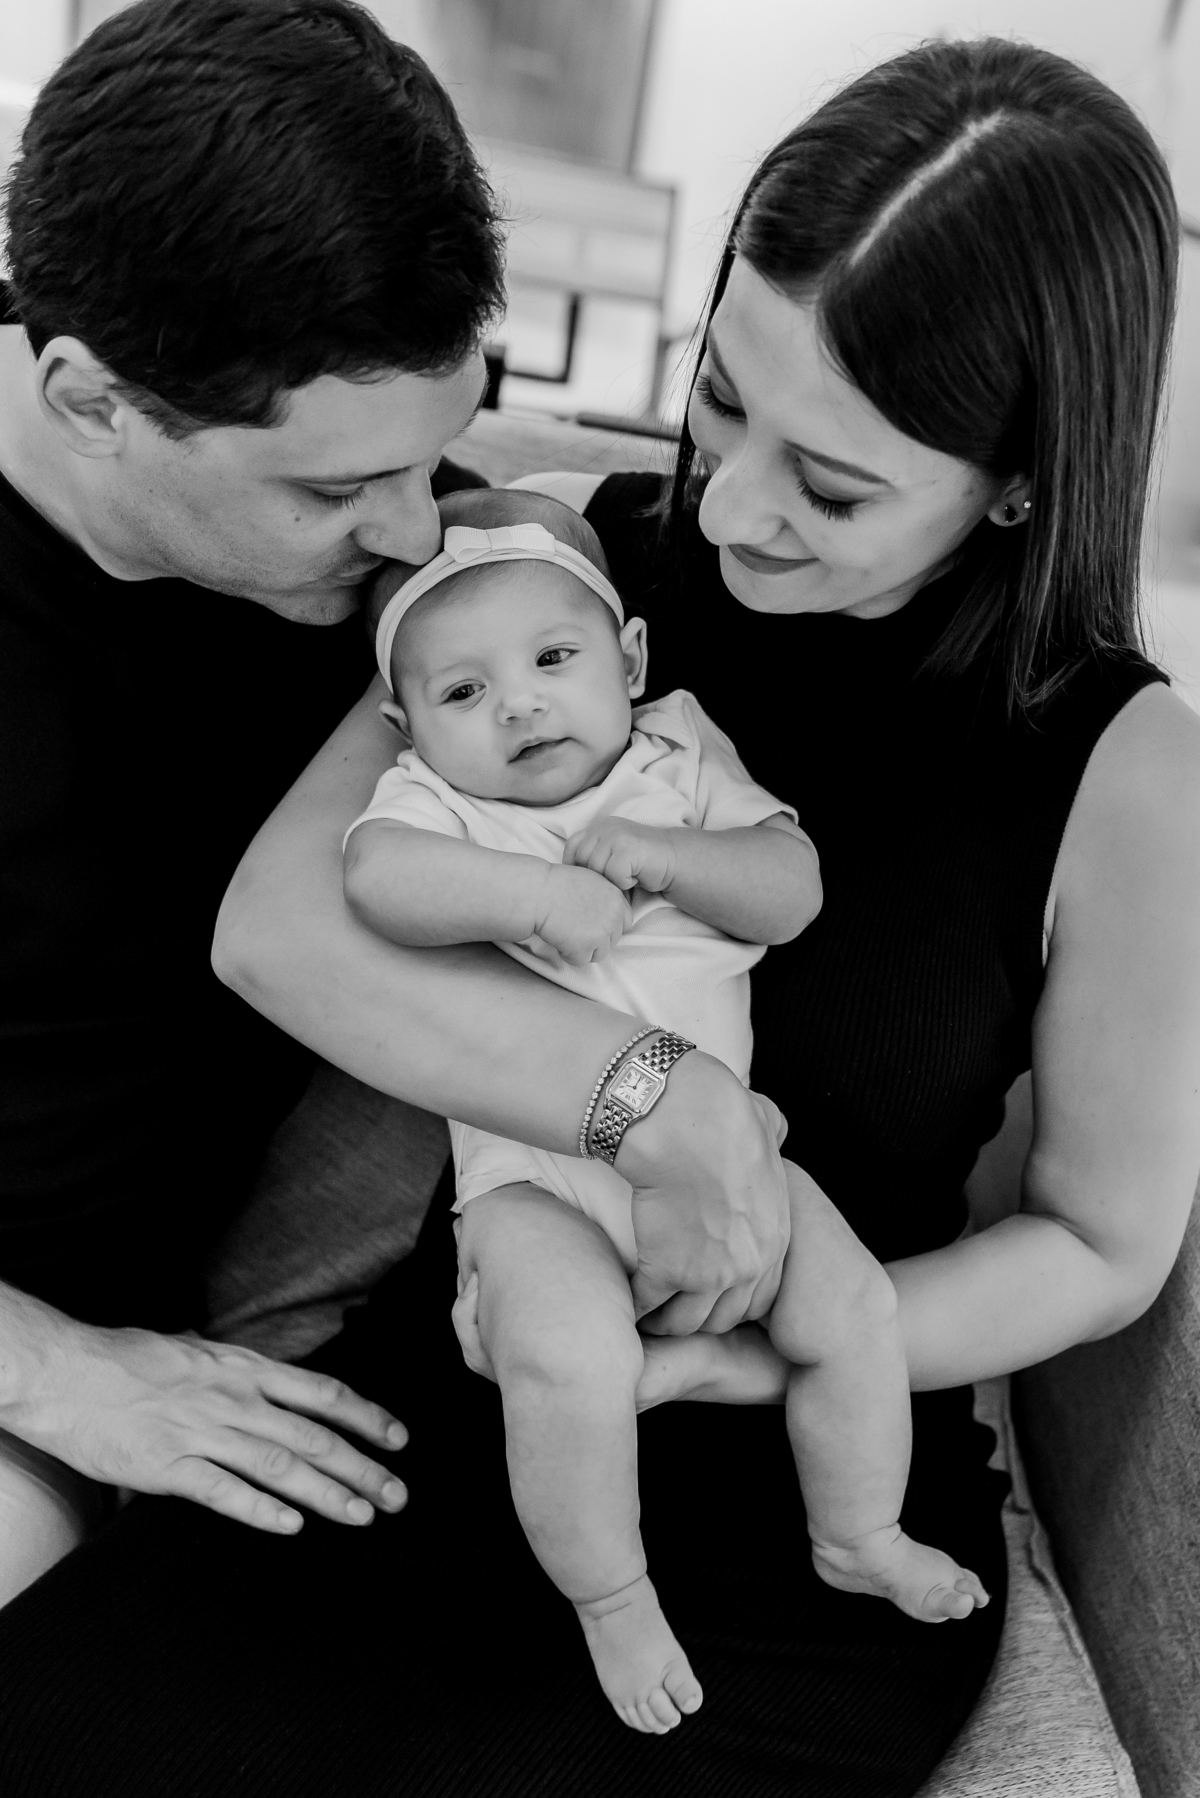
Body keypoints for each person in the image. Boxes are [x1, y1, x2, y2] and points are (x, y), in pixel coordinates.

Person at [1, 28, 1198, 1798]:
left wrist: (760, 1357)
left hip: (801, 1460)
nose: (737, 507)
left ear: (1019, 476)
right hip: (471, 1372)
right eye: (721, 397)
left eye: (835, 483)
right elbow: (289, 922)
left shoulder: (1126, 769)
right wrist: (648, 1096)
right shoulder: (554, 573)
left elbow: (1103, 1242)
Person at [0, 0, 513, 1600]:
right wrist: (54, 1373)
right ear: (89, 401)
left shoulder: (419, 575)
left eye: (439, 447)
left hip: (152, 1356)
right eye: (334, 487)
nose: (417, 530)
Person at [345, 485, 982, 1733]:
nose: (520, 703)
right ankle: (612, 1595)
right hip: (535, 1183)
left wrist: (672, 857)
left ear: (629, 660)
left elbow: (790, 888)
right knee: (563, 1358)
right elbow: (376, 879)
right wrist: (530, 900)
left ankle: (859, 1532)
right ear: (404, 725)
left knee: (854, 1310)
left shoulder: (677, 753)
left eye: (553, 659)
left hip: (728, 1156)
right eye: (464, 690)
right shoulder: (436, 805)